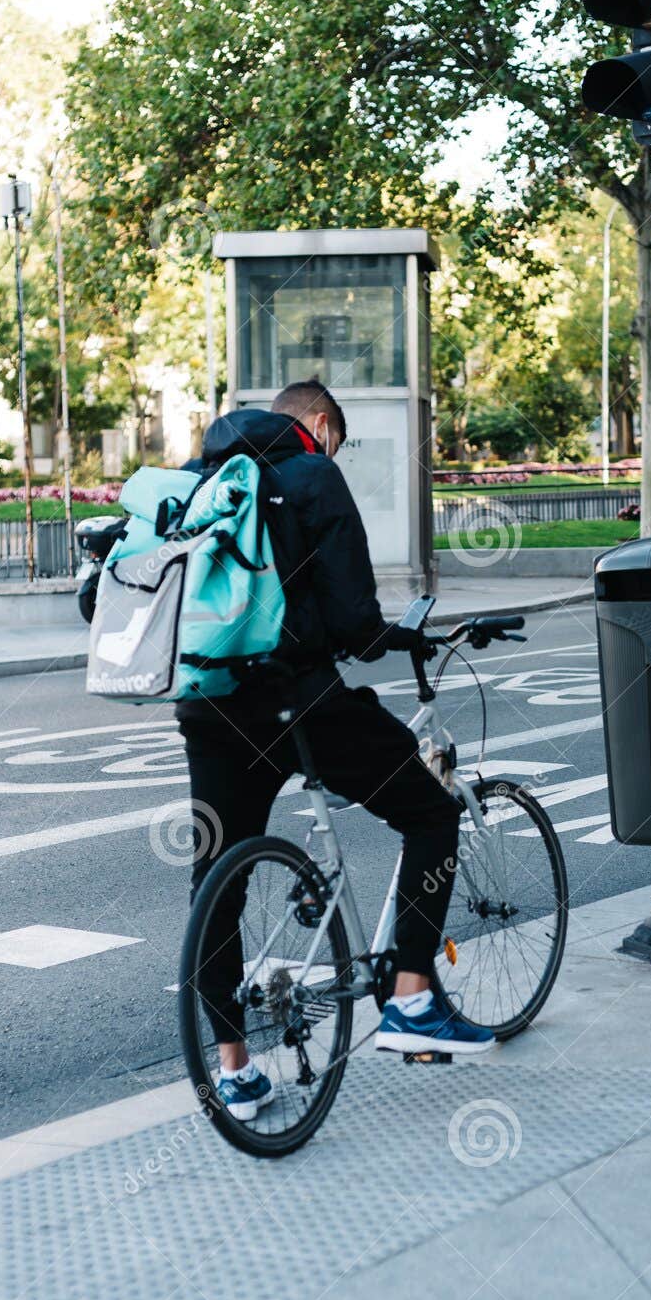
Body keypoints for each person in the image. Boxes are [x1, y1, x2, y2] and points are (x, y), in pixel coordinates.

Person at [176, 376, 494, 1122]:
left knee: (218, 877)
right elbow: (354, 621)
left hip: (206, 704)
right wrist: (393, 636)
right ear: (318, 426)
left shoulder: (201, 479)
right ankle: (413, 997)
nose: (334, 455)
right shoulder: (313, 475)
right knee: (430, 813)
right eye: (337, 445)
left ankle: (234, 1070)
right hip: (296, 704)